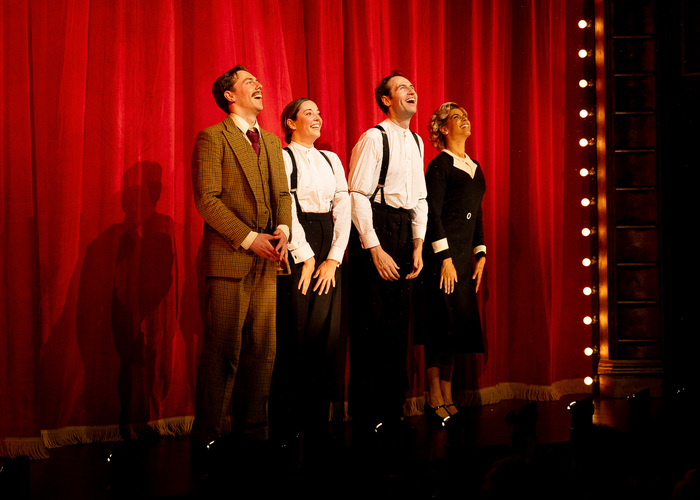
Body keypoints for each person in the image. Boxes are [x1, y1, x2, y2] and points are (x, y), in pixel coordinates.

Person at [190, 65, 292, 456]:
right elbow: (207, 200)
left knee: (264, 349)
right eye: (249, 82)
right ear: (230, 95)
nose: (259, 85)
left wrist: (283, 230)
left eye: (258, 81)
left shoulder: (269, 141)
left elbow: (282, 195)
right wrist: (250, 239)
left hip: (269, 261)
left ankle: (253, 434)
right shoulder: (213, 137)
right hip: (231, 259)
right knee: (224, 351)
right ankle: (208, 437)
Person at [346, 71, 427, 435]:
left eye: (412, 87)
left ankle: (393, 410)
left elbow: (420, 198)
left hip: (404, 232)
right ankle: (367, 414)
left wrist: (418, 244)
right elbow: (357, 195)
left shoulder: (418, 141)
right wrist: (374, 247)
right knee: (371, 326)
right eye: (402, 88)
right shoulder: (373, 138)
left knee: (397, 326)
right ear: (385, 100)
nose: (411, 91)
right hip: (375, 229)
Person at [270, 98, 351, 457]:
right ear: (290, 122)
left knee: (325, 339)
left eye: (320, 112)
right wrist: (305, 256)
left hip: (329, 243)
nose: (318, 117)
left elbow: (343, 206)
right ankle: (288, 427)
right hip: (298, 242)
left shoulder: (331, 160)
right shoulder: (283, 157)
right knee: (294, 339)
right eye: (308, 113)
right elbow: (284, 204)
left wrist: (333, 258)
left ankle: (317, 425)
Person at [416, 102, 486, 425]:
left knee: (456, 329)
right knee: (440, 326)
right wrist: (443, 258)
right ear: (444, 129)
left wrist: (480, 253)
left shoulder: (475, 167)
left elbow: (478, 213)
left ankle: (447, 390)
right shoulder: (440, 165)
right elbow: (431, 212)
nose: (465, 121)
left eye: (466, 116)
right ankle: (434, 396)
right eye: (458, 118)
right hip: (441, 257)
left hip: (462, 256)